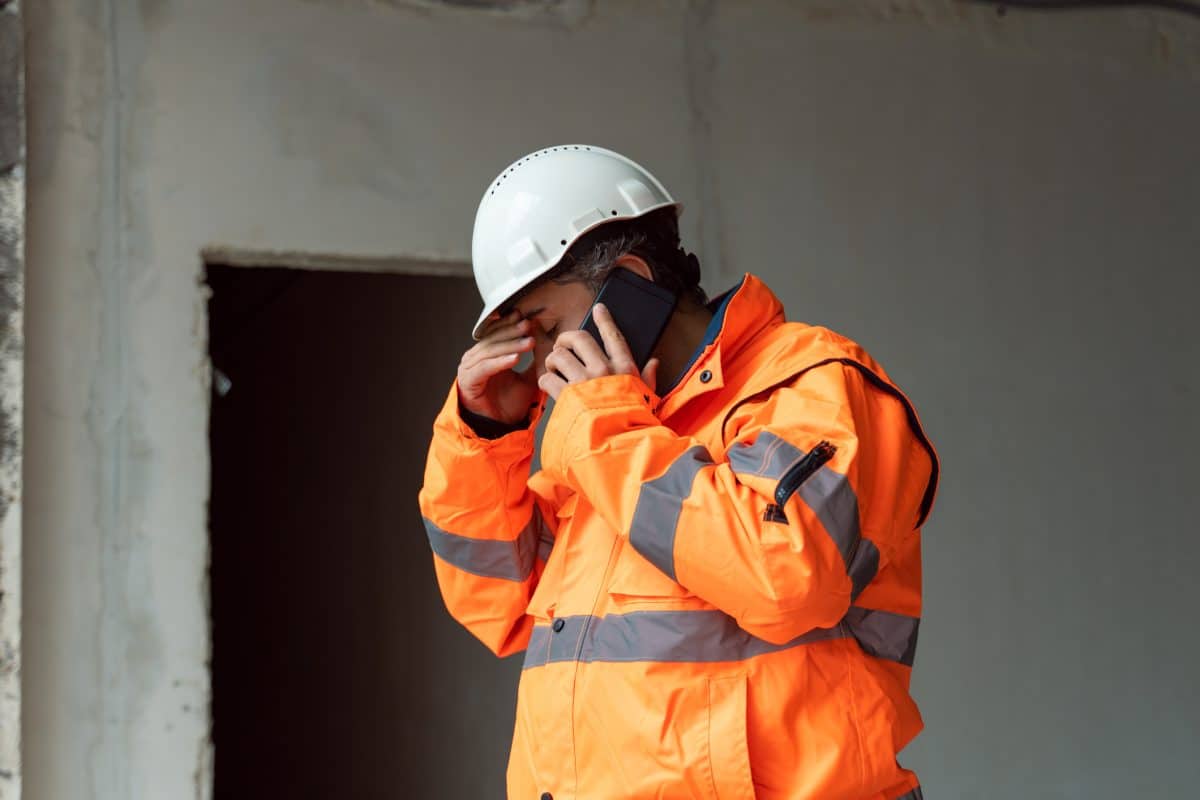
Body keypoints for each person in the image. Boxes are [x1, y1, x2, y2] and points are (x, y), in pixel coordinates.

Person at [419, 145, 938, 800]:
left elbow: (788, 580)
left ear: (630, 281)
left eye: (546, 326)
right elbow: (499, 607)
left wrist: (607, 431)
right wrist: (488, 436)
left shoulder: (810, 386)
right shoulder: (613, 432)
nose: (541, 363)